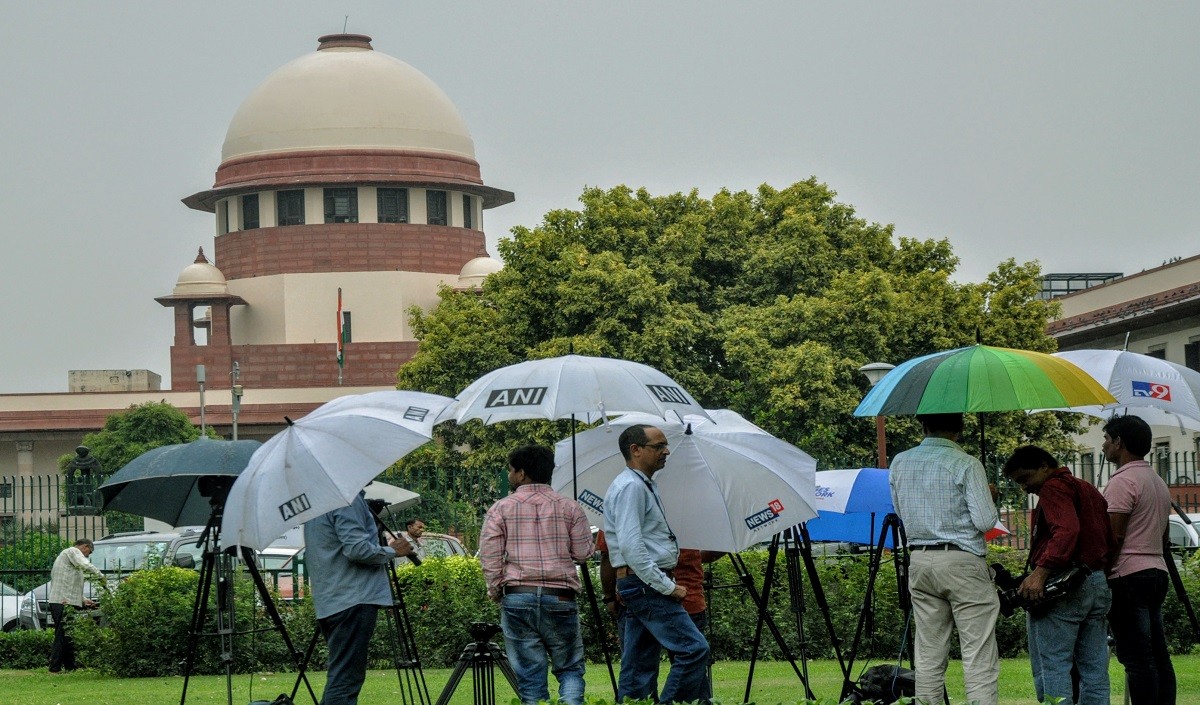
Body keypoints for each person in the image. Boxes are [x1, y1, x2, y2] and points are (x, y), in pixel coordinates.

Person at [889, 412, 1000, 705]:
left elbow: (901, 512)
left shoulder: (900, 462)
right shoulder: (966, 463)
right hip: (962, 560)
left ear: (923, 425)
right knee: (978, 652)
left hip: (920, 559)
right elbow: (985, 521)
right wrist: (989, 497)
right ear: (959, 429)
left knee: (928, 652)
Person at [603, 423, 710, 704]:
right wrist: (666, 586)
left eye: (665, 445)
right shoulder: (631, 487)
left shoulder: (639, 484)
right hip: (645, 583)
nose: (666, 451)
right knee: (693, 649)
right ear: (635, 450)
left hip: (638, 582)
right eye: (659, 446)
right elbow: (631, 546)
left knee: (638, 665)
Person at [479, 444, 593, 705]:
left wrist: (495, 591)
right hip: (560, 597)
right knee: (570, 668)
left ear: (521, 474)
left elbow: (490, 556)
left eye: (510, 470)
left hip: (518, 596)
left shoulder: (501, 508)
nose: (509, 475)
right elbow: (583, 554)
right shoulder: (570, 507)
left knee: (530, 679)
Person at [1002, 445, 1114, 705]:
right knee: (1095, 669)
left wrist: (1040, 573)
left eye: (1025, 478)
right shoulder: (1087, 488)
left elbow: (1066, 530)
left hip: (1065, 584)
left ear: (1044, 466)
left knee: (1054, 665)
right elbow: (1108, 538)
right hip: (1097, 580)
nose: (1024, 487)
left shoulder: (1053, 487)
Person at [304, 492, 414, 705]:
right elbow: (357, 550)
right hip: (353, 598)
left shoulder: (318, 501)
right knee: (345, 680)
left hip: (331, 599)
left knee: (341, 675)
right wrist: (391, 550)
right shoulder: (348, 500)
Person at [1101, 414, 1176, 705]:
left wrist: (1103, 571)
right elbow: (1163, 536)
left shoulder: (1122, 481)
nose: (1104, 446)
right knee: (1158, 653)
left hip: (1127, 575)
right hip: (1156, 571)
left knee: (1136, 657)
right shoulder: (1157, 481)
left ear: (1119, 442)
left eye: (1107, 439)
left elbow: (1115, 536)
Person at [597, 530, 722, 700]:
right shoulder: (688, 515)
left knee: (639, 667)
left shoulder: (624, 518)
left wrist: (609, 597)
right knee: (694, 670)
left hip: (639, 591)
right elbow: (716, 549)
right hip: (685, 593)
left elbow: (607, 554)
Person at [48, 538, 106, 673]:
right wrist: (101, 576)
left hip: (62, 600)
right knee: (62, 634)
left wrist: (83, 600)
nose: (87, 556)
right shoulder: (73, 551)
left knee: (67, 634)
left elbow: (67, 583)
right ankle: (54, 668)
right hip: (63, 601)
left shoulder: (67, 558)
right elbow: (85, 564)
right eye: (89, 552)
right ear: (85, 546)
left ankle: (70, 666)